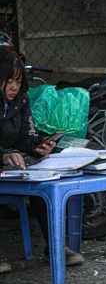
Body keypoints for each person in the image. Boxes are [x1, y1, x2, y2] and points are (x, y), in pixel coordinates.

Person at [0, 50, 84, 268]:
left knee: (43, 181)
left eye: (17, 81)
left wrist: (40, 146)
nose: (13, 87)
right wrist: (4, 153)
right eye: (8, 81)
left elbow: (26, 136)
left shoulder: (21, 102)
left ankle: (55, 248)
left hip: (11, 169)